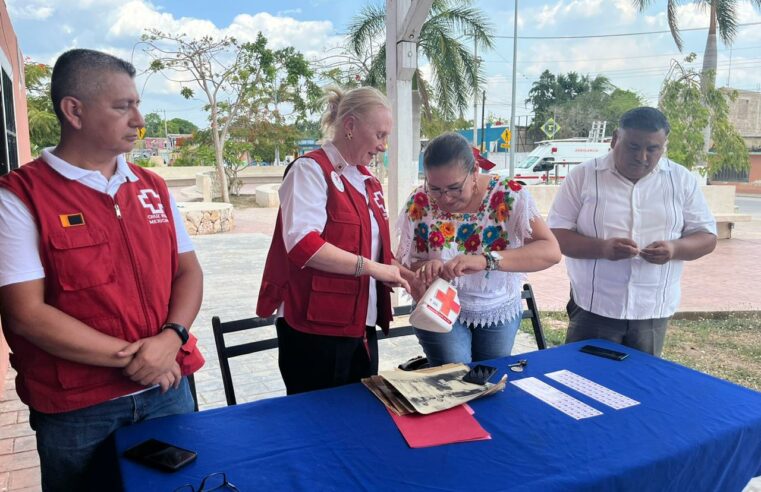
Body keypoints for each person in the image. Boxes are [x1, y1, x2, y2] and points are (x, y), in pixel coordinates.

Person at [0, 49, 205, 491]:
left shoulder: (152, 187)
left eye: (136, 104)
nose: (139, 119)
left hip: (169, 390)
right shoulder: (20, 197)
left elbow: (188, 273)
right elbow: (26, 313)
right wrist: (139, 359)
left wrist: (172, 338)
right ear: (73, 110)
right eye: (122, 106)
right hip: (79, 407)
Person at [257, 86, 413, 395]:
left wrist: (402, 272)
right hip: (315, 329)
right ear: (351, 126)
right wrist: (374, 269)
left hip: (360, 325)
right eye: (380, 135)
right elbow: (303, 245)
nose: (383, 146)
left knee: (358, 420)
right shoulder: (310, 171)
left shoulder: (368, 182)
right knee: (315, 424)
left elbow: (373, 250)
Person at [547, 107, 717, 356]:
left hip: (652, 311)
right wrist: (603, 248)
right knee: (583, 381)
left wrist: (674, 249)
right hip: (594, 307)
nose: (643, 157)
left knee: (641, 386)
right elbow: (556, 236)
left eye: (653, 149)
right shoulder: (583, 176)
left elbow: (707, 237)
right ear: (615, 139)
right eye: (633, 147)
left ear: (664, 145)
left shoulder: (681, 180)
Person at [396, 132, 561, 366]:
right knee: (455, 374)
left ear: (474, 172)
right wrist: (425, 267)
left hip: (496, 307)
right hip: (438, 305)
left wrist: (486, 260)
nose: (446, 199)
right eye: (435, 188)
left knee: (488, 377)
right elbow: (403, 264)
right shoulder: (420, 200)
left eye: (454, 188)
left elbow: (550, 251)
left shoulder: (508, 195)